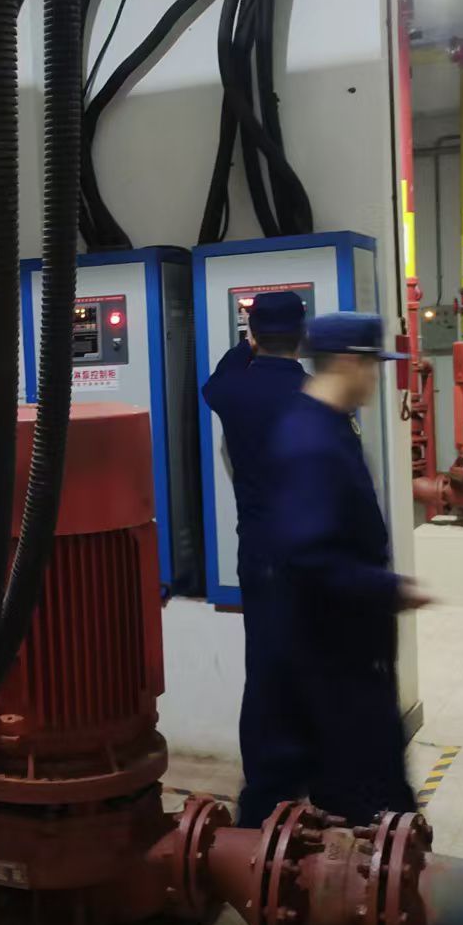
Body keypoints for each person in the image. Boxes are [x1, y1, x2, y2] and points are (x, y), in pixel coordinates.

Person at [267, 312, 427, 825]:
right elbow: (309, 556)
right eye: (373, 365)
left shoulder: (327, 424)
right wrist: (388, 588)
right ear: (347, 362)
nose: (377, 376)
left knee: (368, 792)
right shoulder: (311, 441)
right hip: (334, 655)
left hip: (349, 648)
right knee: (369, 803)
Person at [201, 290, 312, 826]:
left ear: (252, 334)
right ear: (302, 336)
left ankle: (265, 797)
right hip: (312, 554)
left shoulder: (232, 391)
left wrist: (245, 342)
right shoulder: (318, 396)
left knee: (266, 669)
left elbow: (215, 379)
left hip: (260, 553)